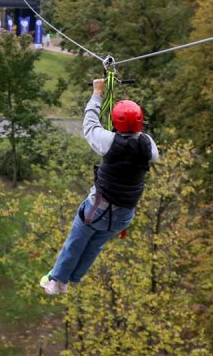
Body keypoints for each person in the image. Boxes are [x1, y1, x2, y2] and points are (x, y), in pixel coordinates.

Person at [40, 78, 159, 295]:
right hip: (123, 216)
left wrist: (97, 94)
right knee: (94, 245)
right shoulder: (147, 145)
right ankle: (72, 278)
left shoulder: (109, 142)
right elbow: (148, 150)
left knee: (75, 241)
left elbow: (90, 124)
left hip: (98, 209)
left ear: (116, 123)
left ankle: (57, 281)